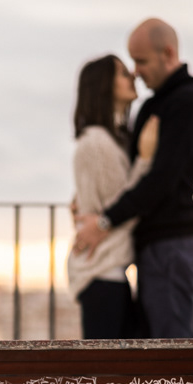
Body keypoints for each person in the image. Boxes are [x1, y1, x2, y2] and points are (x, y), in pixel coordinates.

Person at [74, 18, 193, 338]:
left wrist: (104, 221)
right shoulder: (155, 104)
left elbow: (158, 181)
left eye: (140, 61)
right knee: (158, 354)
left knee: (170, 361)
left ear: (168, 53)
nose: (135, 71)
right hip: (158, 247)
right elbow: (132, 176)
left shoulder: (187, 104)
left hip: (171, 244)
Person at [68, 54, 158, 338]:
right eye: (121, 73)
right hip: (102, 272)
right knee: (108, 376)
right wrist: (145, 160)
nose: (132, 76)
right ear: (104, 86)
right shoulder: (97, 143)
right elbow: (127, 204)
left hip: (106, 271)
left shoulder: (107, 141)